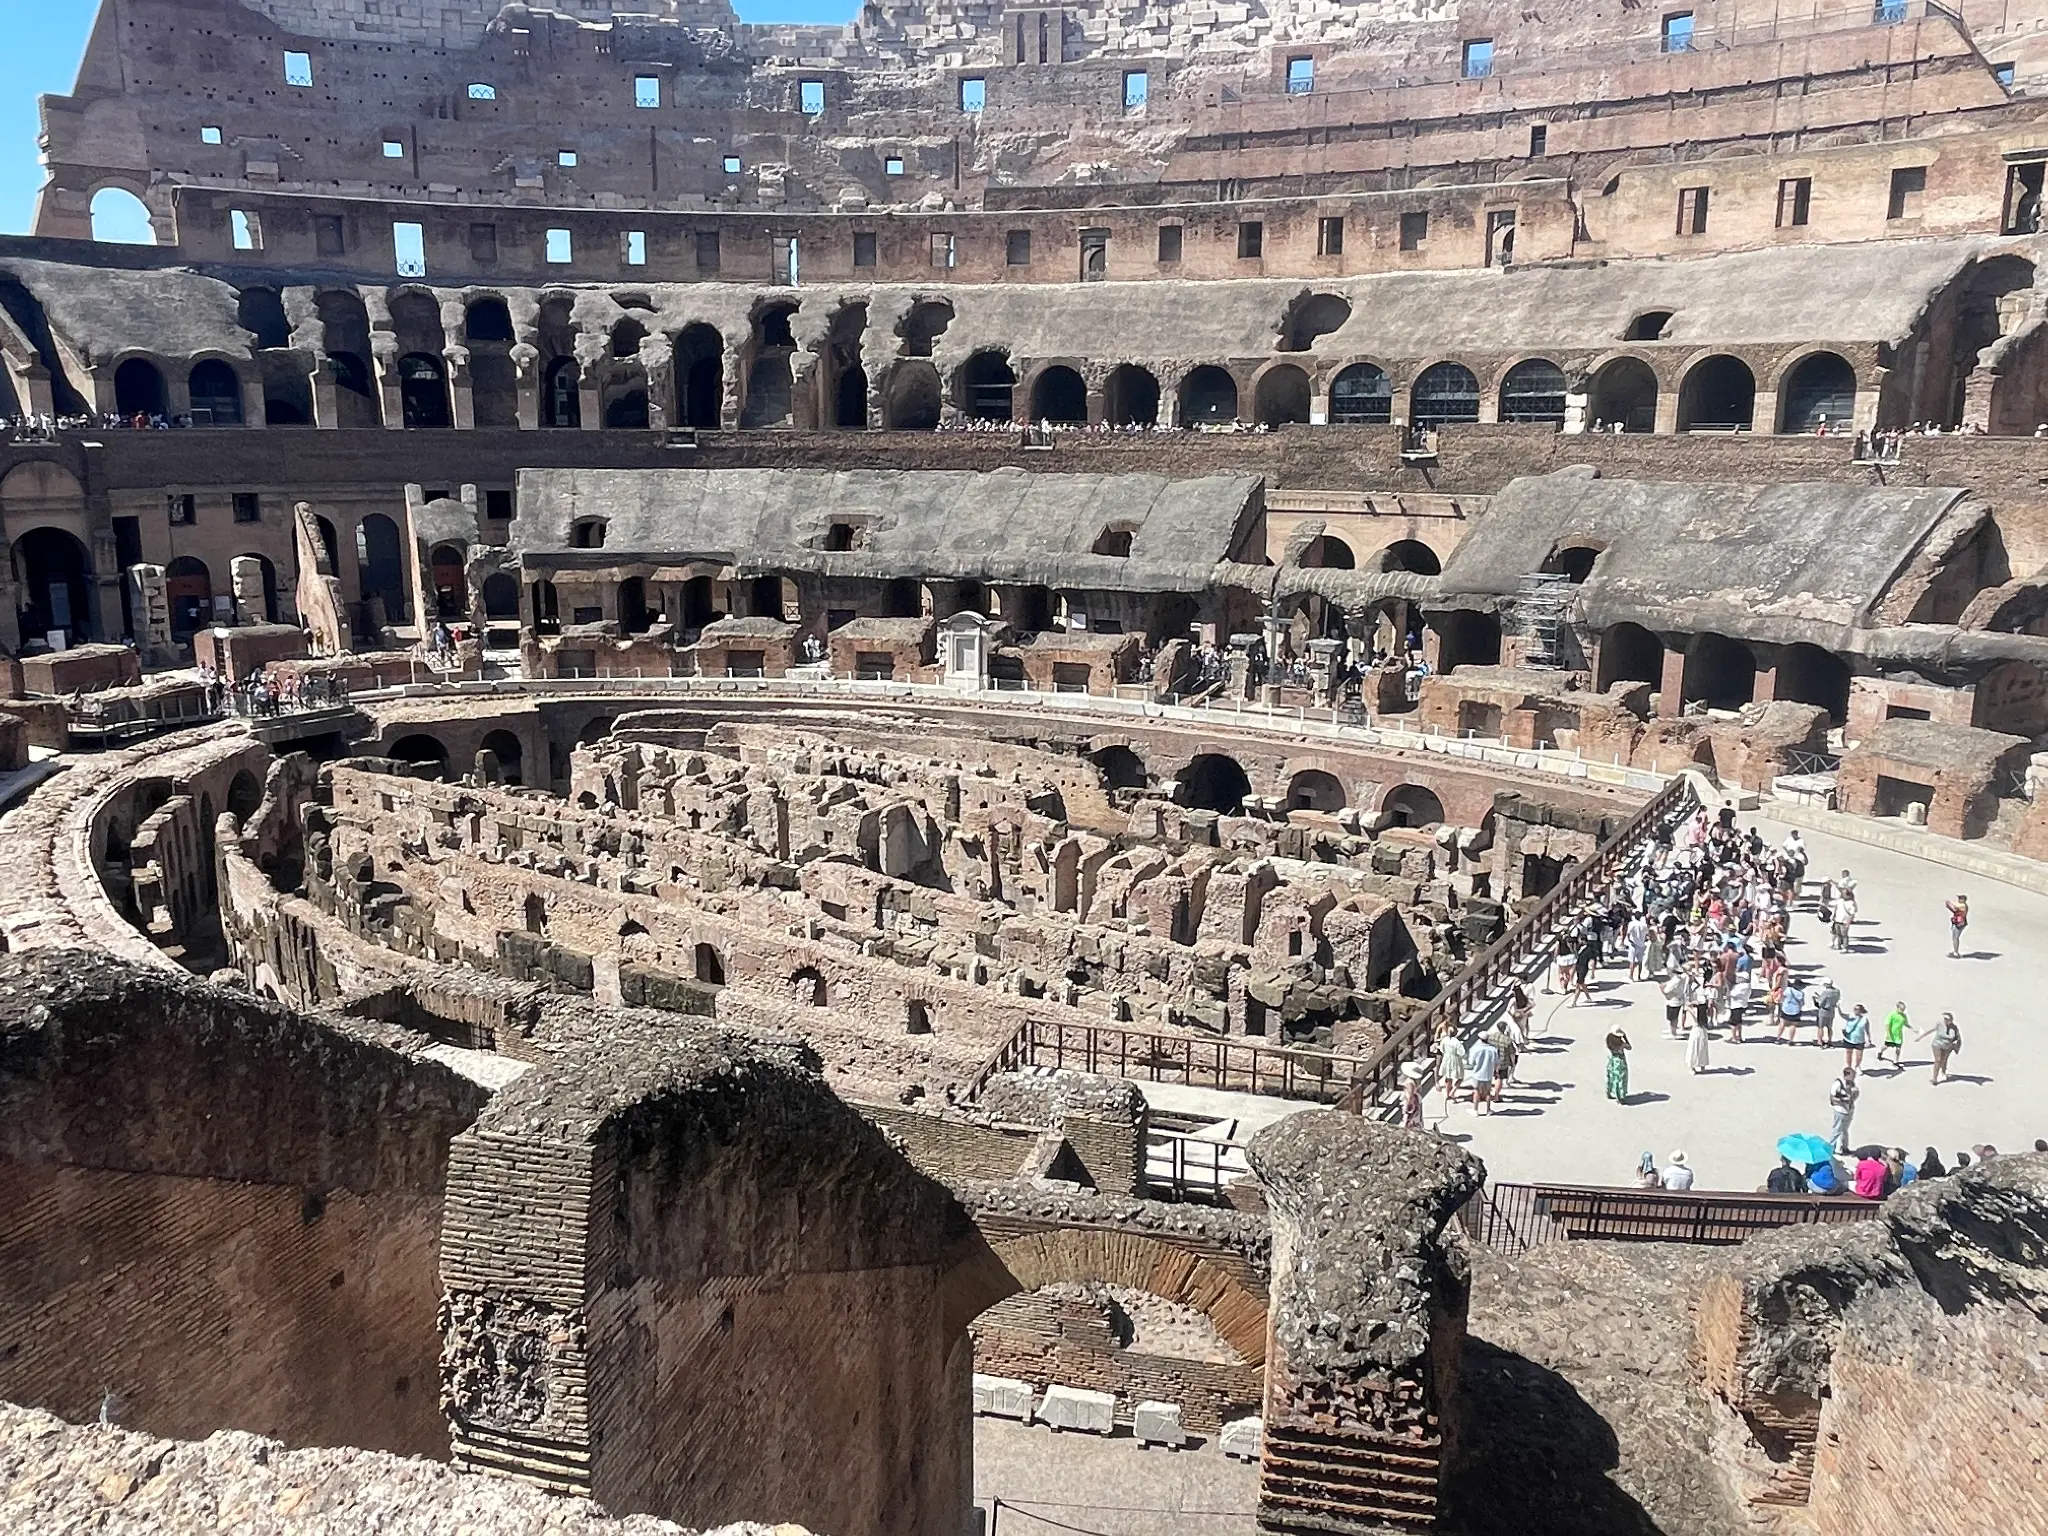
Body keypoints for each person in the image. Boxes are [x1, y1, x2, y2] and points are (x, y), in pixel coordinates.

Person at [1919, 1011, 1963, 1084]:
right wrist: (1921, 1037)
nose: (1945, 1020)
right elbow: (1931, 1030)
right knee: (1938, 1060)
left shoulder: (1954, 1028)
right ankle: (1934, 1079)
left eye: (1947, 1019)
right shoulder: (1939, 1024)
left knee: (1943, 1061)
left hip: (1947, 1046)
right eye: (1945, 1019)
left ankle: (1943, 1072)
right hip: (1937, 1044)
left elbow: (1957, 1038)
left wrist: (1956, 1046)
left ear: (1951, 1020)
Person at [1464, 1032, 1502, 1115]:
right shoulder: (1493, 1049)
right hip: (1488, 1074)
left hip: (1477, 1074)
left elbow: (1471, 1062)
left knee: (1477, 1091)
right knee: (1488, 1092)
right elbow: (1497, 1062)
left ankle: (1475, 1109)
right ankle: (1488, 1110)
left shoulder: (1475, 1049)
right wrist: (1495, 1071)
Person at [1829, 1067, 1860, 1153]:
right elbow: (1832, 1098)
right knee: (1837, 1130)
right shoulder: (1838, 1083)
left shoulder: (1852, 1084)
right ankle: (1830, 1147)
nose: (1854, 1078)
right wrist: (1843, 1100)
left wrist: (1854, 1095)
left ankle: (1844, 1147)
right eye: (1852, 1076)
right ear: (1846, 1075)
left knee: (1844, 1130)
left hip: (1849, 1111)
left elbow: (1854, 1096)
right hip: (1840, 1111)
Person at [1436, 1029, 1467, 1114]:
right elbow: (1462, 1052)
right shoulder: (1457, 1042)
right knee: (1460, 1077)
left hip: (1446, 1058)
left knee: (1448, 1076)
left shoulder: (1444, 1040)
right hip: (1455, 1059)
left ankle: (1447, 1093)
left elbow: (1441, 1049)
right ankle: (1453, 1091)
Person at [1662, 964, 1694, 1039]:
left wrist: (1661, 989)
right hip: (1678, 1000)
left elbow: (1666, 991)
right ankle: (1672, 1030)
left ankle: (1673, 1033)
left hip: (1673, 1001)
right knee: (1674, 1017)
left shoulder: (1675, 980)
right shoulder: (1683, 978)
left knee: (1672, 1018)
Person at [1809, 975, 1841, 1046]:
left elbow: (1820, 1003)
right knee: (1829, 1027)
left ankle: (1820, 1041)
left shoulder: (1826, 992)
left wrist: (1815, 998)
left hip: (1824, 1010)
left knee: (1821, 1027)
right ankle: (1830, 1040)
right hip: (1832, 1010)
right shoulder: (1837, 991)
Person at [1879, 1001, 1909, 1070]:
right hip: (1891, 1035)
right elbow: (1887, 1024)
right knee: (1886, 1046)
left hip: (1898, 1036)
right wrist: (1888, 1034)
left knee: (1898, 1049)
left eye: (1903, 1009)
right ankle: (1880, 1052)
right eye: (1901, 1009)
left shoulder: (1904, 1016)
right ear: (1897, 1008)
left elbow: (1906, 1024)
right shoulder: (1892, 1014)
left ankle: (1895, 1062)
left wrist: (1913, 1029)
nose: (1902, 1010)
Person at [1776, 978, 1807, 1043]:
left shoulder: (1788, 990)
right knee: (1793, 1025)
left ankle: (1778, 1038)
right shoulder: (1801, 994)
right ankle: (1790, 1040)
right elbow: (1802, 1003)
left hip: (1786, 1009)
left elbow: (1782, 997)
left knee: (1782, 1024)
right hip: (1795, 1011)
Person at [1841, 1003, 1871, 1071]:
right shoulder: (1850, 1016)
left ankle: (1857, 1066)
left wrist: (1869, 1040)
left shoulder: (1864, 1020)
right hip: (1849, 1039)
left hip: (1859, 1040)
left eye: (1857, 1009)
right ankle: (1849, 1067)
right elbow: (1842, 1015)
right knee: (1848, 1053)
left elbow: (1867, 1031)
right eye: (1854, 1009)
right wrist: (1839, 1008)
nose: (1854, 1010)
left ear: (1861, 1011)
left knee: (1859, 1056)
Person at [1605, 1026, 1632, 1102]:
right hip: (1620, 1061)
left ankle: (1609, 1092)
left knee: (1611, 1076)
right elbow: (1629, 1047)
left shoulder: (1609, 1040)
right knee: (1620, 1078)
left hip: (1612, 1059)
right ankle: (1620, 1096)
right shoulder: (1621, 1044)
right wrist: (1625, 1038)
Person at [1687, 994, 1712, 1074]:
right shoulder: (1704, 1013)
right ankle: (1702, 1065)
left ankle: (1692, 1067)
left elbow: (1687, 1006)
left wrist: (1691, 1004)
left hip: (1695, 1031)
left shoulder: (1695, 1011)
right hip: (1703, 1031)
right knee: (1702, 1048)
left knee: (1694, 1049)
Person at [1946, 893, 1970, 957]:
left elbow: (1955, 907)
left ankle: (1956, 952)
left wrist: (1949, 903)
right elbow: (1954, 909)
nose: (1959, 899)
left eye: (1960, 898)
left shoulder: (1963, 905)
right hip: (1957, 921)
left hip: (1960, 923)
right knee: (1954, 937)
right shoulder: (1961, 905)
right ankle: (1955, 951)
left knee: (1955, 937)